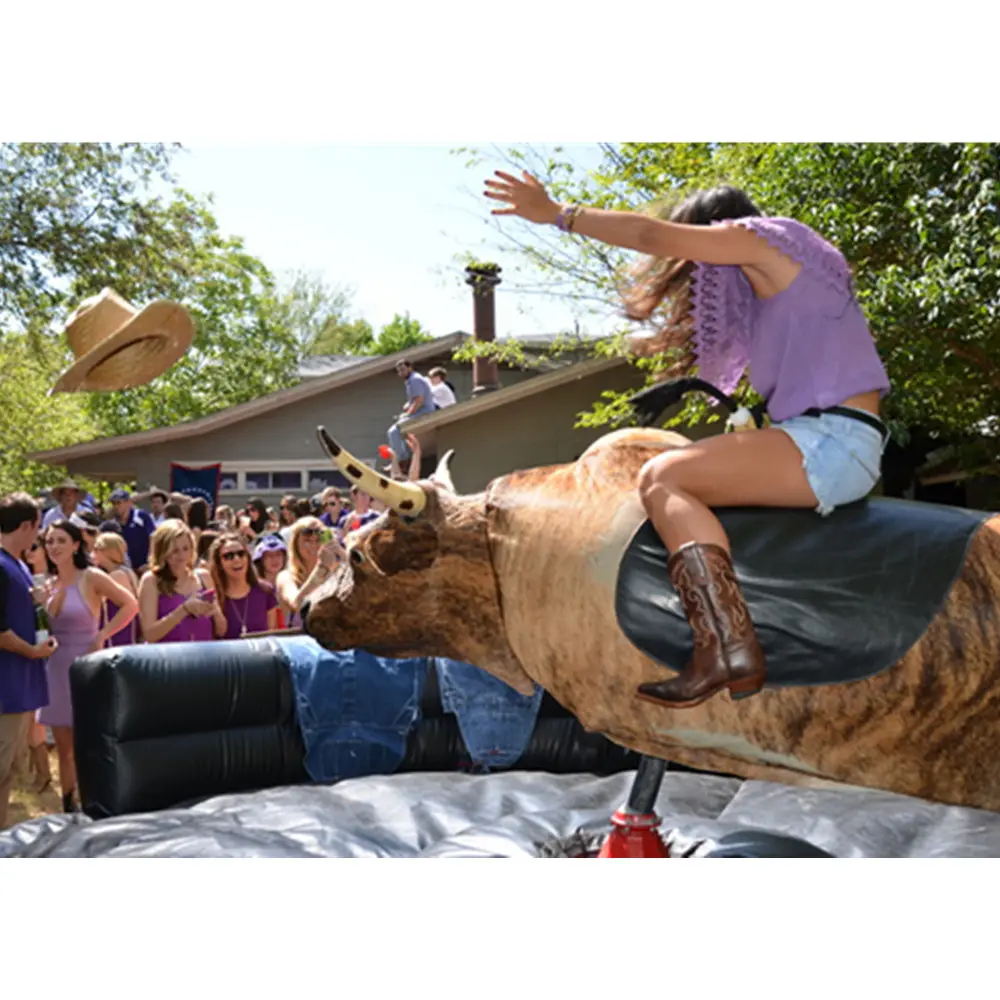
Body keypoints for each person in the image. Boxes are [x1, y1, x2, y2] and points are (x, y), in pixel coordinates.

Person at [484, 172, 890, 709]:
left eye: (699, 247)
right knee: (672, 475)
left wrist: (559, 213)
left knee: (661, 475)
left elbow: (653, 238)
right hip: (826, 438)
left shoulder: (766, 237)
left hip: (831, 442)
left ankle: (725, 645)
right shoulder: (779, 293)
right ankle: (727, 642)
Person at [40, 519, 137, 811]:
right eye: (49, 541)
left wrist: (102, 635)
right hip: (56, 668)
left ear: (75, 544)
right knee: (63, 747)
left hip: (86, 665)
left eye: (60, 540)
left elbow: (129, 604)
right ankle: (69, 807)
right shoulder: (49, 583)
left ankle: (100, 803)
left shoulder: (91, 576)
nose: (54, 546)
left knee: (91, 743)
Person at [0, 494, 56, 827]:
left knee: (8, 772)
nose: (39, 535)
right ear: (25, 526)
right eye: (37, 527)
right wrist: (32, 651)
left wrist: (37, 604)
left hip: (19, 688)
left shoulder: (17, 564)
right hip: (5, 690)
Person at [137, 520, 215, 644]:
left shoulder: (203, 576)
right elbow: (149, 635)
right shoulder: (151, 581)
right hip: (169, 659)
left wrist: (214, 610)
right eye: (174, 550)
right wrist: (183, 610)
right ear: (162, 552)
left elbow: (222, 629)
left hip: (203, 657)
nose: (181, 555)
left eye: (186, 548)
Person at [275, 518, 345, 629]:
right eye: (307, 541)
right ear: (296, 544)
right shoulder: (286, 577)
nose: (314, 545)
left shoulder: (336, 573)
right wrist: (320, 570)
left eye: (318, 540)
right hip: (299, 642)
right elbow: (297, 604)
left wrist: (340, 552)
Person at [207, 533, 279, 639]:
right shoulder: (213, 598)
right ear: (219, 564)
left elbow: (272, 634)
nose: (236, 559)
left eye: (241, 553)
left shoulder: (265, 590)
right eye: (228, 556)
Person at [91, 533, 141, 647]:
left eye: (96, 549)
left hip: (117, 637)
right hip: (125, 634)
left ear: (107, 551)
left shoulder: (117, 575)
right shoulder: (128, 571)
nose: (93, 553)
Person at [386, 359, 436, 462]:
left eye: (403, 369)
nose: (401, 373)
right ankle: (405, 455)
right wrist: (407, 406)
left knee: (393, 431)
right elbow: (416, 399)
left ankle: (399, 460)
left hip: (424, 412)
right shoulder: (411, 380)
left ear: (410, 368)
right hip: (420, 411)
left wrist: (408, 413)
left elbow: (419, 400)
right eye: (399, 371)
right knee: (401, 429)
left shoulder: (415, 380)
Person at [109, 488, 157, 574]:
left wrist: (150, 561)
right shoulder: (113, 524)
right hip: (125, 570)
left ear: (128, 503)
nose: (116, 506)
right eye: (113, 503)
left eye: (119, 503)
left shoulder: (141, 516)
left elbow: (154, 537)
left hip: (145, 568)